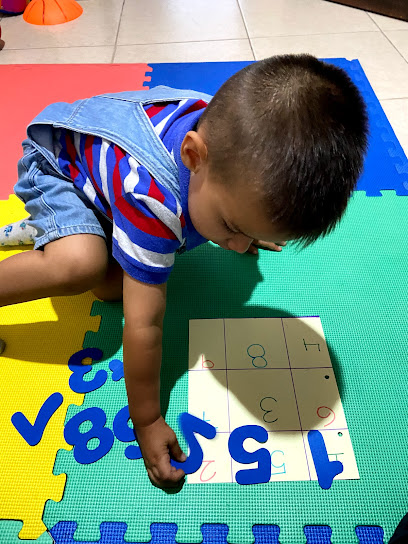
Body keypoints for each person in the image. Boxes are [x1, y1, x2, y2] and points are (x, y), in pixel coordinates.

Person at [0, 54, 368, 489]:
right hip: (58, 163)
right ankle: (60, 228)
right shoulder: (154, 201)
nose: (236, 246)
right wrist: (148, 418)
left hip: (113, 163)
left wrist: (246, 226)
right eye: (233, 227)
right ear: (193, 155)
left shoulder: (233, 151)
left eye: (248, 233)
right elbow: (144, 327)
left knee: (113, 280)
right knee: (84, 266)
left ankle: (83, 227)